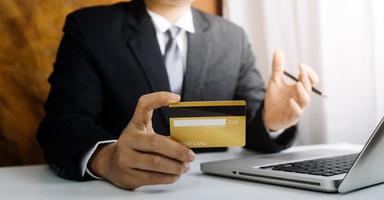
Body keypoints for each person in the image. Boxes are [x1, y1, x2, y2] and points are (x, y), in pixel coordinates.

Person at [37, 0, 319, 190]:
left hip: (214, 190)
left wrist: (270, 122)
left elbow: (248, 126)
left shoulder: (232, 37)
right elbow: (63, 124)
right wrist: (107, 159)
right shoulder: (90, 28)